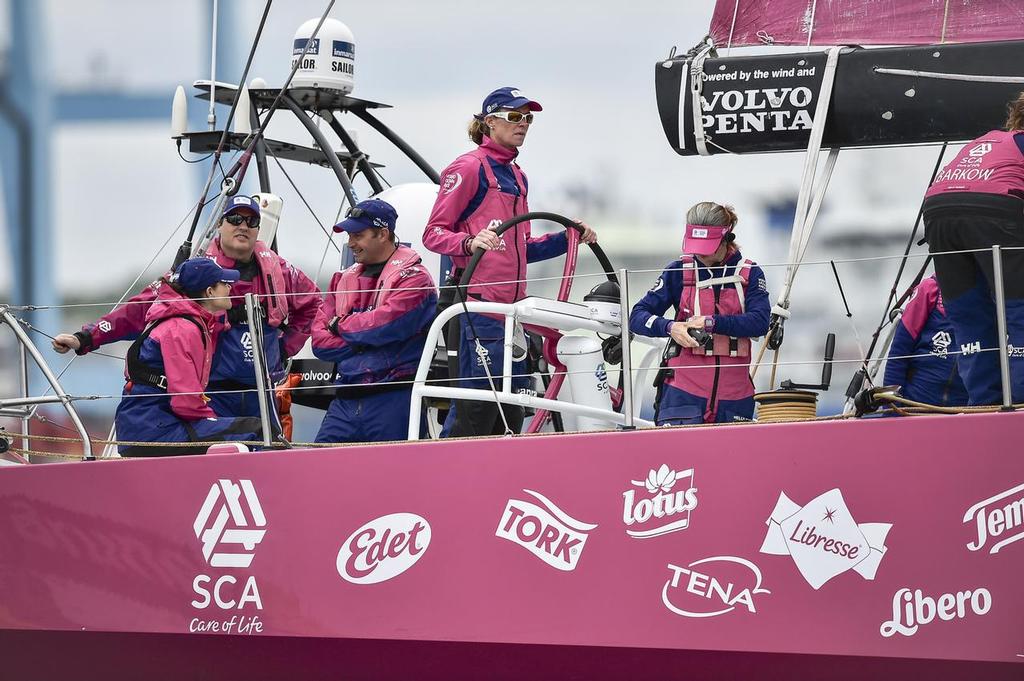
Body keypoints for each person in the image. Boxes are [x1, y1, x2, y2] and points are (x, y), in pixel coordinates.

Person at [422, 86, 597, 436]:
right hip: (477, 309)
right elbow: (433, 234)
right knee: (474, 409)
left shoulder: (518, 176)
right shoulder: (468, 168)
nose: (524, 124)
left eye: (528, 118)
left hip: (513, 315)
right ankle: (450, 477)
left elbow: (521, 249)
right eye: (515, 117)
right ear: (490, 122)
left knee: (513, 410)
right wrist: (470, 242)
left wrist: (568, 239)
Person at [52, 196, 320, 421]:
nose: (244, 226)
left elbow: (315, 303)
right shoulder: (193, 273)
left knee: (267, 466)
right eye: (235, 219)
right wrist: (85, 337)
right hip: (213, 393)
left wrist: (286, 348)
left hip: (262, 392)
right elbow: (139, 310)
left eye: (251, 221)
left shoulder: (280, 270)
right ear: (219, 224)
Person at [922, 93, 1024, 406]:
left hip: (938, 210)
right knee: (1018, 312)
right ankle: (1021, 402)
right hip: (993, 208)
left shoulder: (988, 141)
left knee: (968, 315)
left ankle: (984, 404)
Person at [630, 202, 769, 425]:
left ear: (727, 238)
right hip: (682, 396)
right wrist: (670, 327)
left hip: (735, 399)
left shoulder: (750, 273)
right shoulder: (677, 271)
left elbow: (760, 322)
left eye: (708, 246)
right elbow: (636, 317)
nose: (699, 253)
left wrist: (711, 323)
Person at [312, 199, 437, 443]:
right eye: (349, 235)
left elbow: (385, 325)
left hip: (395, 399)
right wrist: (365, 338)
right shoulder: (341, 280)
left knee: (393, 479)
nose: (351, 244)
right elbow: (319, 343)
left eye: (357, 235)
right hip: (344, 401)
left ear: (383, 233)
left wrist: (340, 326)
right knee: (320, 474)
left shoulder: (416, 280)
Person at [114, 258, 264, 456]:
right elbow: (185, 401)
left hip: (151, 425)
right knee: (256, 430)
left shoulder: (185, 322)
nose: (231, 289)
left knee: (239, 428)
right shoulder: (182, 329)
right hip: (155, 431)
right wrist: (211, 421)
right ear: (210, 292)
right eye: (225, 284)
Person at [882, 274, 968, 407]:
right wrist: (891, 410)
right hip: (915, 405)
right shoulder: (929, 288)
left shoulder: (992, 291)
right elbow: (898, 354)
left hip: (967, 411)